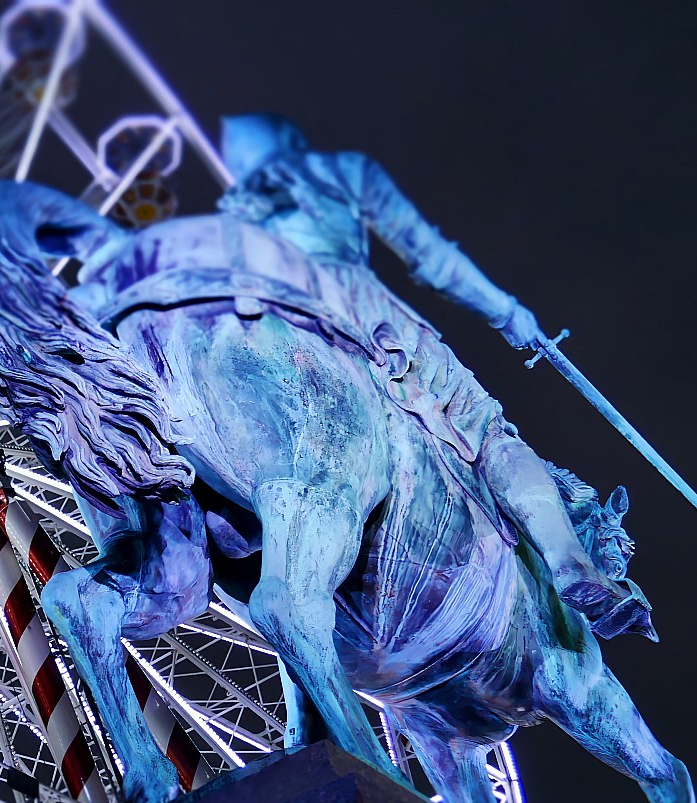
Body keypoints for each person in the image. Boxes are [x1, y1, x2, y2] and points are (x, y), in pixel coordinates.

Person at [216, 112, 646, 637]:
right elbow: (430, 257)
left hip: (268, 321)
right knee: (486, 431)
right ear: (291, 138)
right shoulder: (341, 172)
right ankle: (571, 567)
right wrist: (507, 311)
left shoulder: (233, 214)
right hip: (363, 319)